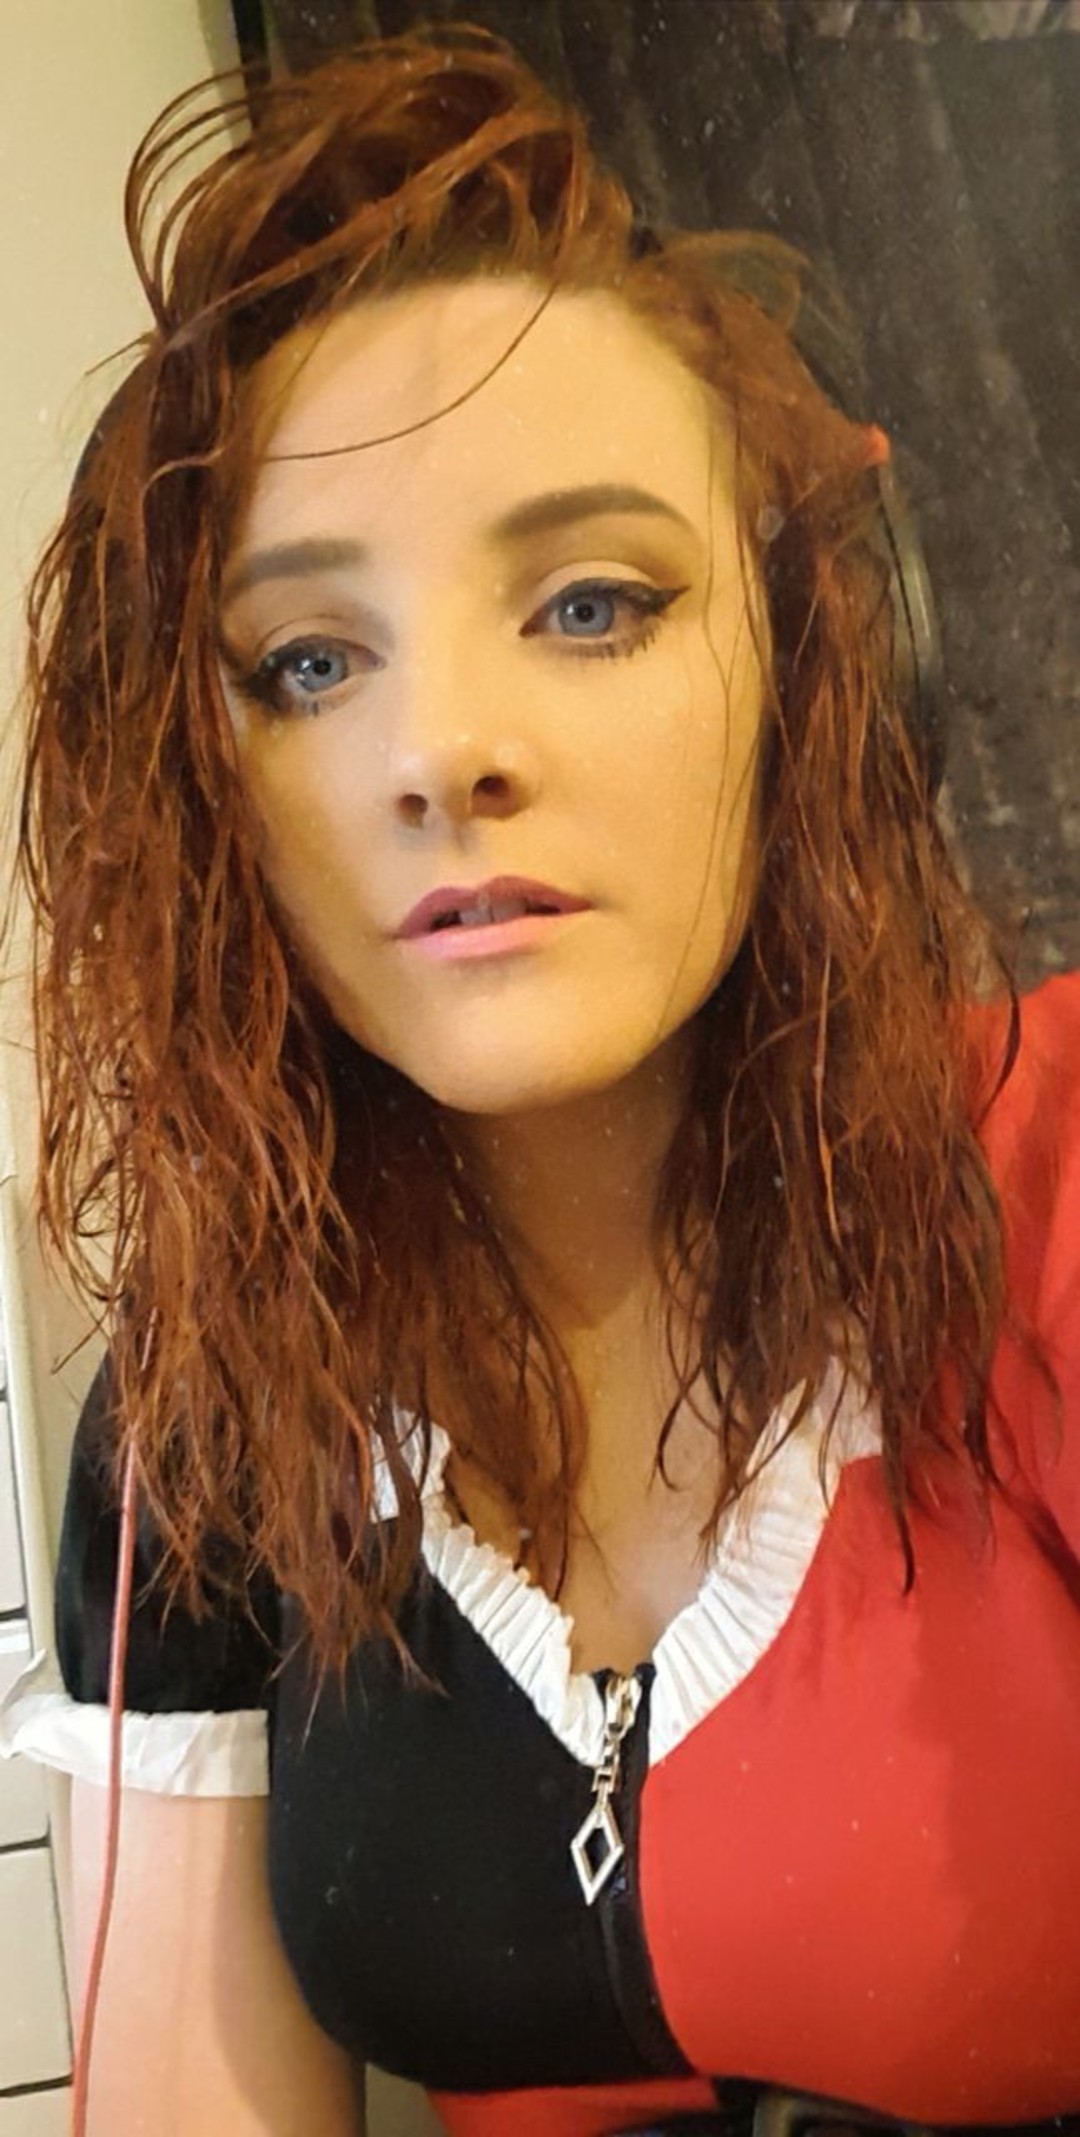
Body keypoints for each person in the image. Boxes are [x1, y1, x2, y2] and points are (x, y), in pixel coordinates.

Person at [1, 21, 1078, 2137]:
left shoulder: (1047, 1180)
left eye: (593, 602)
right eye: (310, 661)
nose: (440, 752)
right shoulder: (211, 1413)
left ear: (810, 662)